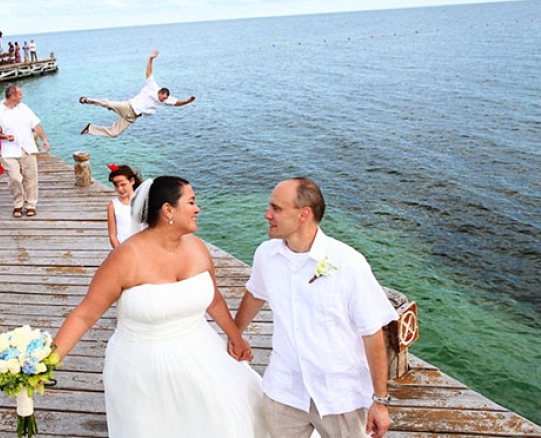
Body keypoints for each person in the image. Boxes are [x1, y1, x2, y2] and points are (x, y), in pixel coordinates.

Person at [52, 176, 268, 437]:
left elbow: (214, 300)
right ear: (168, 210)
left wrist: (236, 338)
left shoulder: (198, 248)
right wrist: (47, 363)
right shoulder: (126, 257)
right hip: (142, 366)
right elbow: (84, 315)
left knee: (236, 417)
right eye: (191, 202)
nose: (197, 209)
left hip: (201, 350)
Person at [233, 177, 397, 438]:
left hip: (341, 396)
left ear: (303, 214)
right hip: (284, 389)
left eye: (276, 208)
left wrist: (380, 400)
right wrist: (235, 335)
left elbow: (372, 332)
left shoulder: (349, 263)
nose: (267, 214)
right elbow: (255, 294)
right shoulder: (266, 254)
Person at [79, 50, 196, 138]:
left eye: (164, 99)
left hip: (132, 117)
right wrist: (150, 59)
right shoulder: (152, 86)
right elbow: (149, 72)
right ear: (160, 92)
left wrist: (187, 101)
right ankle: (87, 100)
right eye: (162, 98)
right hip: (128, 107)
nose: (162, 100)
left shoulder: (166, 100)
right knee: (108, 104)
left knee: (114, 133)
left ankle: (90, 129)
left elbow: (177, 103)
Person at [0, 84, 50, 218]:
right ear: (13, 96)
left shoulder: (24, 108)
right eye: (20, 94)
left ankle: (31, 205)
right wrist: (4, 136)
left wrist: (44, 139)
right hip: (9, 150)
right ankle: (18, 203)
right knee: (15, 178)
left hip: (27, 147)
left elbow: (36, 125)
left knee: (30, 177)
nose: (22, 96)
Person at [105, 164, 143, 248]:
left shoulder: (143, 201)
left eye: (123, 185)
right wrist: (119, 251)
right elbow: (112, 235)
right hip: (122, 248)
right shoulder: (113, 205)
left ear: (132, 181)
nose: (120, 189)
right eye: (116, 186)